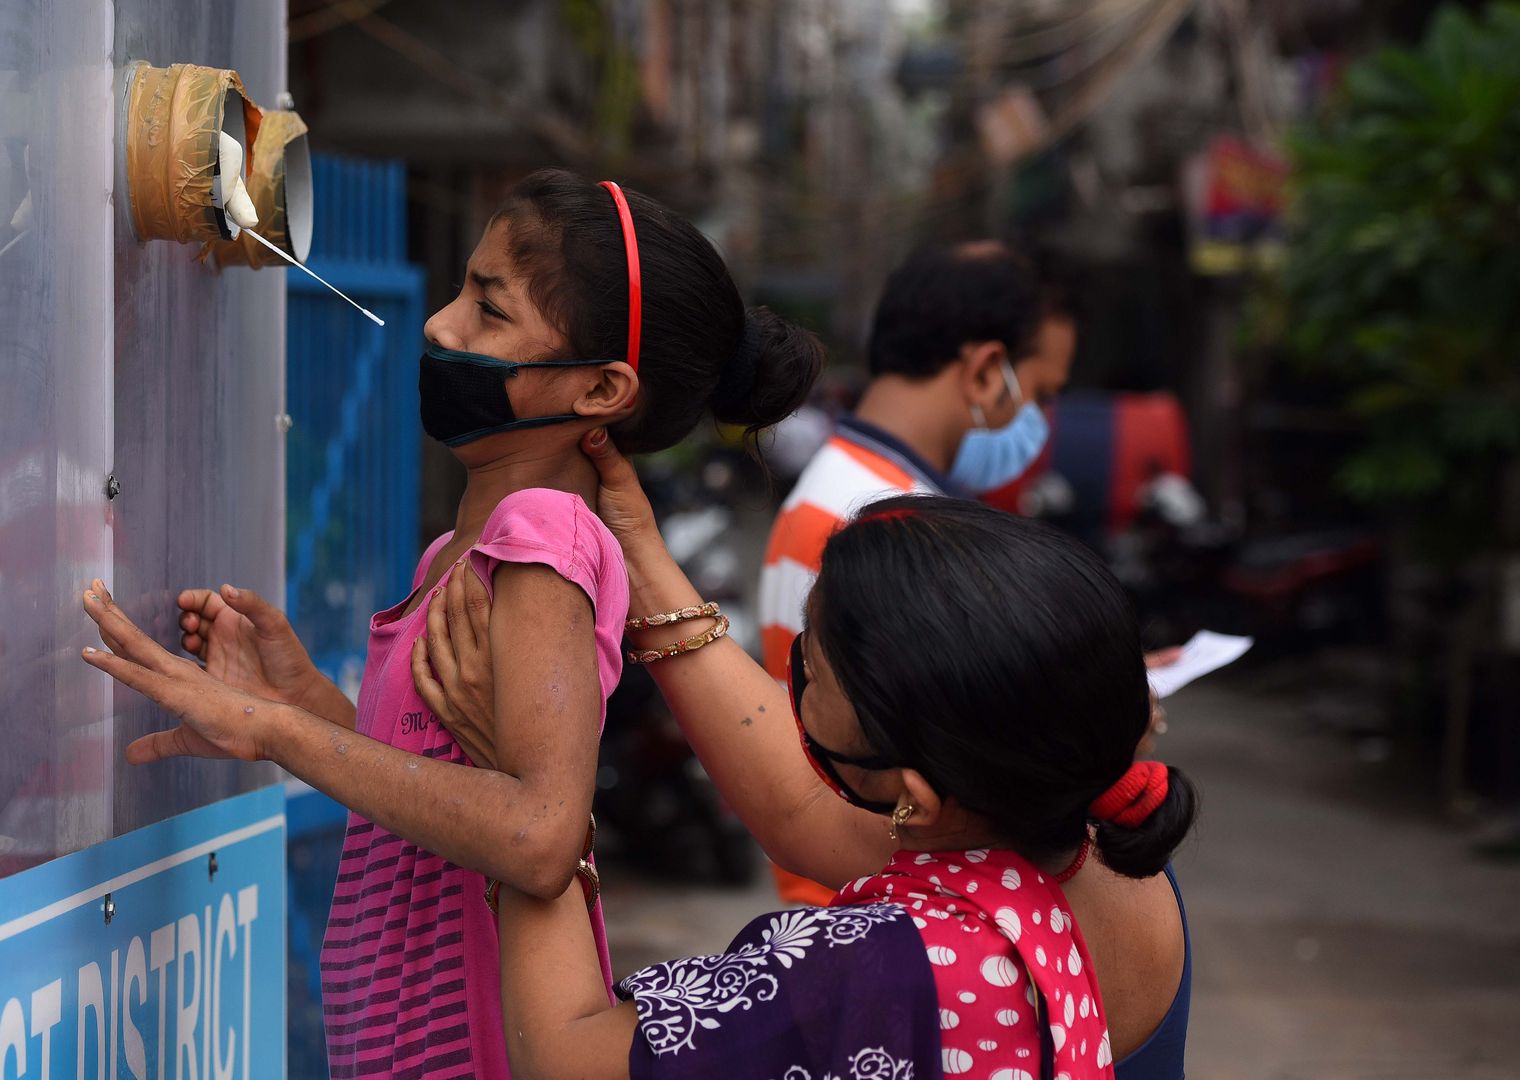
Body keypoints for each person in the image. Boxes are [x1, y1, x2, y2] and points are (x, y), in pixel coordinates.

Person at [76, 168, 823, 1078]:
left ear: (600, 390)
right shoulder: (454, 557)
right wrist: (306, 706)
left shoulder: (542, 536)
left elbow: (540, 836)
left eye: (488, 309)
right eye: (463, 290)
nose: (442, 324)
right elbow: (442, 796)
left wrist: (267, 726)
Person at [416, 452, 1194, 1078]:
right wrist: (640, 548)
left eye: (812, 668)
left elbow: (565, 1055)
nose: (794, 673)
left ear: (913, 799)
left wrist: (531, 786)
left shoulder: (864, 968)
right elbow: (801, 811)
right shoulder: (1104, 850)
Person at [758, 242, 1103, 905]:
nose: (1038, 422)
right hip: (871, 908)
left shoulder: (864, 496)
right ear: (985, 371)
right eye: (1041, 395)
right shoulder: (872, 523)